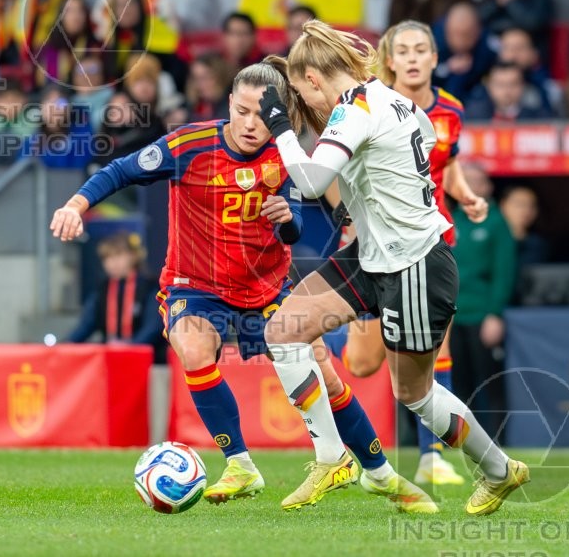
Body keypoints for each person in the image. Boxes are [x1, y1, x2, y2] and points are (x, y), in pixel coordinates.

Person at [50, 60, 429, 512]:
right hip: (196, 284)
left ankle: (379, 473)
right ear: (230, 104)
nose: (251, 124)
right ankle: (240, 464)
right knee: (193, 348)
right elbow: (120, 171)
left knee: (325, 378)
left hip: (265, 288)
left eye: (261, 115)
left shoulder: (285, 158)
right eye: (243, 111)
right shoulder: (188, 144)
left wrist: (287, 220)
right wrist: (75, 204)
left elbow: (295, 229)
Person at [257, 19, 529, 515]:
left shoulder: (357, 107)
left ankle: (498, 469)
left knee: (414, 393)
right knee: (285, 329)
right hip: (373, 254)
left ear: (315, 80)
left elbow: (314, 180)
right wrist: (361, 201)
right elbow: (410, 156)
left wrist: (281, 130)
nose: (307, 105)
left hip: (416, 265)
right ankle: (331, 457)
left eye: (302, 93)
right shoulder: (396, 101)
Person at [328, 19, 489, 486]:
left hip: (432, 242)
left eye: (423, 49)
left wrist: (466, 195)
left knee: (436, 349)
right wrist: (349, 220)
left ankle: (430, 456)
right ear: (389, 59)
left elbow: (448, 165)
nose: (415, 57)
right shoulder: (369, 103)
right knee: (363, 362)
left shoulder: (451, 111)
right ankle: (318, 350)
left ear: (436, 58)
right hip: (373, 244)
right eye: (405, 50)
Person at [450, 164, 516, 436]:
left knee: (489, 382)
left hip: (481, 315)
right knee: (457, 383)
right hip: (453, 316)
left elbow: (504, 272)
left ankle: (498, 441)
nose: (471, 186)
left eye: (477, 181)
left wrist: (494, 313)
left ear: (488, 187)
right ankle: (463, 440)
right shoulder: (449, 219)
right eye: (465, 181)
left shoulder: (497, 222)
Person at [67, 232, 164, 366]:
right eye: (107, 258)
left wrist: (128, 350)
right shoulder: (102, 290)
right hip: (110, 362)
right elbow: (85, 326)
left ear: (133, 256)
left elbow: (153, 327)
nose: (112, 263)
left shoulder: (151, 287)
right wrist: (62, 348)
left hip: (149, 362)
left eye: (118, 256)